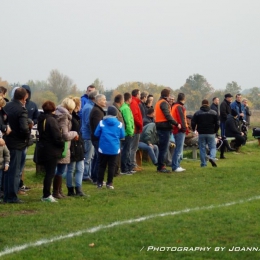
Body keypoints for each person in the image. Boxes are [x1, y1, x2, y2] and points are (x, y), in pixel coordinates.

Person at [3, 87, 31, 203]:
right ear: (24, 97)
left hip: (7, 140)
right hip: (18, 143)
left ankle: (5, 194)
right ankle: (12, 196)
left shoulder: (6, 106)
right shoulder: (21, 110)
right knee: (15, 171)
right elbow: (24, 128)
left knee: (7, 170)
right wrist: (27, 138)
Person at [37, 101, 65, 202]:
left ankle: (46, 194)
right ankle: (46, 195)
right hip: (51, 149)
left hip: (44, 148)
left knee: (48, 173)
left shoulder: (42, 119)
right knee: (50, 173)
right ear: (53, 109)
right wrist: (62, 144)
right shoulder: (51, 120)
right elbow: (57, 136)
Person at [53, 98, 78, 199]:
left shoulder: (57, 113)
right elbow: (65, 135)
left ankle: (59, 191)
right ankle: (56, 192)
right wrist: (75, 133)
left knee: (59, 170)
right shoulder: (64, 117)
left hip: (58, 145)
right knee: (60, 170)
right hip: (63, 146)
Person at [94, 106, 125, 189]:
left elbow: (96, 134)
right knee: (112, 166)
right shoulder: (119, 124)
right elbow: (122, 135)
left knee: (101, 165)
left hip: (103, 148)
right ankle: (109, 183)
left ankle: (99, 183)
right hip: (114, 148)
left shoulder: (101, 122)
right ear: (115, 114)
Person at [18, 84, 39, 194]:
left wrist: (32, 122)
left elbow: (37, 117)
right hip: (18, 136)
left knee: (23, 160)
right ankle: (16, 185)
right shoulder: (17, 105)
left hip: (27, 134)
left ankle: (21, 183)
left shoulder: (32, 105)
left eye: (27, 92)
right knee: (18, 161)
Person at [154, 89, 180, 173]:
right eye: (169, 95)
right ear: (167, 95)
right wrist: (176, 124)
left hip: (160, 126)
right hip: (164, 127)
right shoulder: (164, 103)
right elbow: (168, 115)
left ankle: (160, 165)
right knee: (163, 149)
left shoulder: (158, 102)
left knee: (163, 148)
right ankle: (161, 166)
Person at [66, 97, 86, 196]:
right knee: (72, 168)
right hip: (73, 143)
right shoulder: (71, 118)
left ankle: (78, 189)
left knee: (80, 168)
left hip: (78, 144)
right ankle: (71, 189)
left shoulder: (75, 117)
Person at [191, 99, 219, 168]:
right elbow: (217, 123)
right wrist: (215, 130)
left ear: (202, 104)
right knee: (213, 147)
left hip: (201, 133)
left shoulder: (197, 113)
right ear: (208, 104)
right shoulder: (214, 112)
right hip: (211, 132)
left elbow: (193, 122)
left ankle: (203, 164)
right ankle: (212, 157)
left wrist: (194, 129)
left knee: (202, 148)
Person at [81, 90, 98, 181]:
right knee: (88, 156)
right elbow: (88, 123)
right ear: (94, 98)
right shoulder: (89, 108)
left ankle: (88, 174)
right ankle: (86, 175)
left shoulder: (90, 106)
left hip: (89, 135)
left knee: (90, 156)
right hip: (88, 135)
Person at [89, 94, 106, 184]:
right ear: (98, 101)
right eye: (104, 100)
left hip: (96, 138)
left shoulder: (98, 110)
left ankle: (94, 177)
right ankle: (97, 179)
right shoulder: (97, 111)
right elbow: (98, 127)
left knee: (96, 157)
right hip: (98, 138)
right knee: (99, 158)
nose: (105, 101)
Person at [171, 93, 188, 172]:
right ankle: (175, 166)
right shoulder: (179, 107)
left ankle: (177, 164)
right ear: (184, 99)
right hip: (179, 130)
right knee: (178, 149)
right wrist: (184, 129)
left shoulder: (174, 106)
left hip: (175, 129)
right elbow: (181, 119)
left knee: (178, 149)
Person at [120, 93, 134, 175]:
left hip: (126, 132)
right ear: (129, 99)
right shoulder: (125, 108)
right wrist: (130, 132)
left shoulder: (125, 107)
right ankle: (124, 169)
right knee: (126, 151)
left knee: (127, 150)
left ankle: (128, 167)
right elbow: (128, 121)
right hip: (127, 133)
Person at [130, 89, 143, 172]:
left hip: (135, 128)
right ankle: (133, 164)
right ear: (137, 95)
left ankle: (133, 164)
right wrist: (140, 125)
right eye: (139, 94)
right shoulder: (134, 103)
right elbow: (135, 116)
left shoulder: (135, 102)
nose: (140, 95)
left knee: (134, 147)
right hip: (135, 129)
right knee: (133, 148)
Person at [113, 94, 125, 176]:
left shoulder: (117, 109)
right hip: (116, 136)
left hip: (118, 135)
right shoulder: (114, 110)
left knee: (118, 153)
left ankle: (117, 170)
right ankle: (115, 171)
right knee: (116, 154)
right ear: (121, 101)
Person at [0, 130, 10, 199]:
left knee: (0, 181)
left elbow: (7, 154)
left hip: (0, 166)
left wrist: (7, 164)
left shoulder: (2, 145)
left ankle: (1, 193)